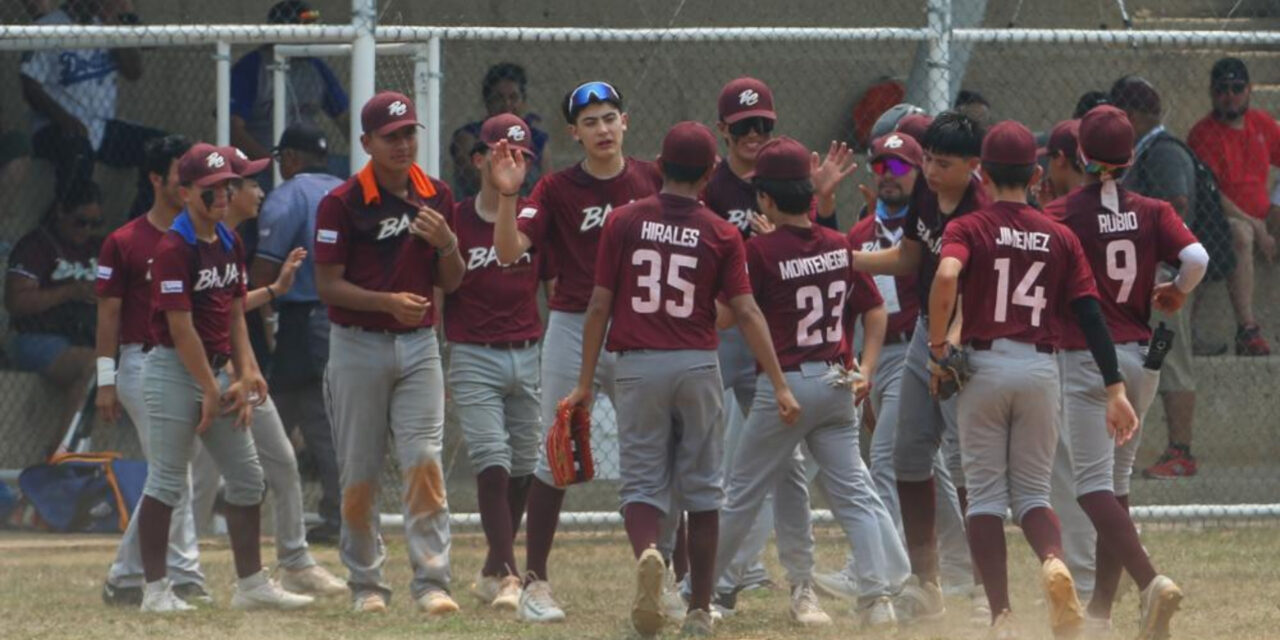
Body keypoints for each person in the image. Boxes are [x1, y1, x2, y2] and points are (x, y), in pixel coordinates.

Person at [562, 121, 800, 637]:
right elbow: (747, 311)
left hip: (639, 363)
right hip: (696, 362)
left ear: (660, 168)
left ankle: (651, 554)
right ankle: (698, 608)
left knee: (644, 483)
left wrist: (584, 382)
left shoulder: (623, 221)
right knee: (704, 487)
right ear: (711, 171)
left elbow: (599, 303)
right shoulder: (720, 230)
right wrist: (779, 383)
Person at [928, 119, 1138, 638]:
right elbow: (1089, 312)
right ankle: (1051, 558)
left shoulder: (970, 226)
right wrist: (1115, 386)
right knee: (1034, 496)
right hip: (1042, 368)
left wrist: (937, 350)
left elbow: (947, 275)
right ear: (1037, 173)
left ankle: (1001, 615)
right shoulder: (1059, 234)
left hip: (985, 365)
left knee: (983, 496)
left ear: (982, 170)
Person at [713, 136, 907, 630]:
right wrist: (866, 367)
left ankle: (705, 590)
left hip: (787, 387)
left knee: (741, 492)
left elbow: (725, 318)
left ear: (768, 200)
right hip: (839, 381)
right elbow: (876, 308)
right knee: (856, 496)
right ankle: (878, 599)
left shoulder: (759, 251)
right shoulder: (839, 244)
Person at [491, 80, 662, 623]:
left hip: (640, 324)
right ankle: (534, 584)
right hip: (571, 322)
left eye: (610, 117)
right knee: (557, 449)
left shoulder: (650, 178)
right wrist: (508, 193)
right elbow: (508, 252)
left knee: (653, 452)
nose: (603, 129)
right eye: (590, 122)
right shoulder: (557, 189)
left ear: (626, 122)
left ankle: (666, 574)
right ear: (574, 133)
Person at [132, 142, 313, 613]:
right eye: (210, 187)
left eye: (227, 186)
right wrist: (210, 389)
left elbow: (232, 311)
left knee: (249, 478)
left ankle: (251, 584)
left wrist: (247, 370)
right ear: (186, 191)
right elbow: (181, 326)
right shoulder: (175, 246)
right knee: (168, 482)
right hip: (174, 371)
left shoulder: (228, 241)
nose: (221, 194)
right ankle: (154, 591)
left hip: (213, 370)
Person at [699, 76, 853, 611]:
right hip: (731, 340)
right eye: (744, 126)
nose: (755, 133)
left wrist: (824, 200)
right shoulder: (713, 188)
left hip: (786, 344)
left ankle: (801, 584)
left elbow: (822, 247)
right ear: (723, 130)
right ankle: (715, 582)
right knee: (720, 464)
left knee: (786, 470)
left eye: (764, 123)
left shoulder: (787, 174)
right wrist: (752, 247)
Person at [1046, 105, 1198, 638]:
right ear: (1131, 158)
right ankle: (1100, 615)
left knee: (1091, 489)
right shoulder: (1152, 209)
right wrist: (1176, 291)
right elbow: (1197, 256)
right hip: (1141, 358)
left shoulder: (1063, 212)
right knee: (1115, 485)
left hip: (1090, 360)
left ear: (1082, 156)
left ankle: (1150, 582)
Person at [313, 91, 462, 615]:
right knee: (360, 470)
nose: (402, 144)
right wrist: (385, 303)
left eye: (409, 133)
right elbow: (327, 284)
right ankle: (367, 584)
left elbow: (454, 279)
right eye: (390, 136)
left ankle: (432, 581)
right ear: (366, 143)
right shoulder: (343, 202)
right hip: (357, 345)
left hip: (419, 345)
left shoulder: (436, 195)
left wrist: (447, 243)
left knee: (423, 461)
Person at [818, 132, 975, 608]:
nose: (889, 177)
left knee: (888, 456)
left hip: (924, 347)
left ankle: (876, 570)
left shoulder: (937, 217)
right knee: (923, 464)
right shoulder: (864, 231)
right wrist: (853, 365)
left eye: (901, 168)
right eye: (880, 167)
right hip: (882, 356)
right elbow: (848, 301)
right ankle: (957, 570)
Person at [850, 112, 989, 623]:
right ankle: (925, 581)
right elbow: (911, 257)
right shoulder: (926, 197)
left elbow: (978, 292)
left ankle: (983, 587)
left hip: (969, 341)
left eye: (942, 162)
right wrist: (850, 258)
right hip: (927, 339)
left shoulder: (983, 208)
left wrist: (947, 349)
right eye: (927, 158)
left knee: (967, 466)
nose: (929, 170)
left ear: (973, 166)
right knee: (907, 456)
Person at [193, 145, 348, 597]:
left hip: (234, 370)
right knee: (193, 478)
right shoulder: (191, 242)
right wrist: (225, 376)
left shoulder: (231, 241)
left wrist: (276, 291)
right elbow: (194, 324)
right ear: (225, 189)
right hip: (201, 375)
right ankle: (170, 570)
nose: (262, 191)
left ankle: (295, 560)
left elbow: (233, 308)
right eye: (252, 183)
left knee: (280, 461)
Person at [97, 136, 210, 608]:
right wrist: (106, 379)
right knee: (172, 474)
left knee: (173, 473)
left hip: (185, 362)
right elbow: (107, 313)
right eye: (179, 175)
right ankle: (181, 573)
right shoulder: (124, 241)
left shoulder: (198, 236)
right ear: (155, 180)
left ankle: (130, 575)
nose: (188, 184)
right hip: (142, 362)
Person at [444, 114, 543, 610]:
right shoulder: (457, 220)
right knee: (492, 462)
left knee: (525, 465)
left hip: (527, 349)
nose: (511, 161)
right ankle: (508, 574)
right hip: (473, 352)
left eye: (521, 155)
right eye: (501, 152)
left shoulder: (530, 216)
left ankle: (489, 566)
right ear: (479, 158)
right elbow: (441, 289)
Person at [249, 123, 345, 545]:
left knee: (318, 420)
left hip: (303, 317)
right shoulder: (347, 190)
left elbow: (264, 271)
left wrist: (256, 311)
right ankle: (243, 492)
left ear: (290, 158)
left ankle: (342, 515)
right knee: (289, 409)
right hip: (343, 314)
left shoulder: (287, 195)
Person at [1109, 76, 1202, 479]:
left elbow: (1176, 206)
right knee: (1149, 364)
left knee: (1169, 361)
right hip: (1150, 282)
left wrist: (1161, 266)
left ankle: (1181, 451)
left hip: (1167, 285)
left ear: (1129, 116)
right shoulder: (1141, 150)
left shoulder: (1161, 152)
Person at [1188, 57, 1277, 357]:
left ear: (1249, 89)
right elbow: (1212, 194)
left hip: (1264, 215)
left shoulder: (1262, 123)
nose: (1230, 95)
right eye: (1223, 89)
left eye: (1237, 88)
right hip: (1222, 218)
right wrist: (1255, 224)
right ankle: (1247, 330)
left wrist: (1276, 206)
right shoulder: (1203, 134)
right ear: (1212, 93)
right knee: (1241, 233)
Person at [19, 0, 157, 195]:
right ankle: (64, 216)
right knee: (78, 153)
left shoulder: (105, 25)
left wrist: (113, 27)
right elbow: (30, 87)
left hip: (102, 127)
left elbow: (134, 72)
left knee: (162, 148)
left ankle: (142, 222)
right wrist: (65, 119)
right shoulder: (48, 26)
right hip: (56, 129)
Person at [5, 180, 101, 443]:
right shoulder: (36, 246)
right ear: (61, 212)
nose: (87, 230)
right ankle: (62, 454)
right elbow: (16, 302)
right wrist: (70, 292)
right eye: (81, 221)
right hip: (37, 337)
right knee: (97, 367)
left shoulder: (98, 247)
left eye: (94, 224)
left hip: (86, 336)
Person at [230, 1, 349, 161]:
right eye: (305, 27)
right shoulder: (251, 67)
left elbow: (344, 118)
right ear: (283, 29)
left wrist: (364, 155)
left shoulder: (315, 66)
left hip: (312, 160)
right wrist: (272, 165)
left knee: (347, 167)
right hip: (262, 162)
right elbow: (233, 129)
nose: (312, 34)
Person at [449, 63, 552, 198]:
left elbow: (545, 188)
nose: (507, 104)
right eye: (498, 98)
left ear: (523, 101)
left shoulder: (538, 140)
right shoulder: (469, 137)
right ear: (487, 101)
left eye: (513, 97)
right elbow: (475, 179)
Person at [1038, 120, 1083, 204]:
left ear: (1060, 158)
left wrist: (1048, 211)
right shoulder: (1107, 198)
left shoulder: (1059, 212)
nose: (1049, 169)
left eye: (1050, 159)